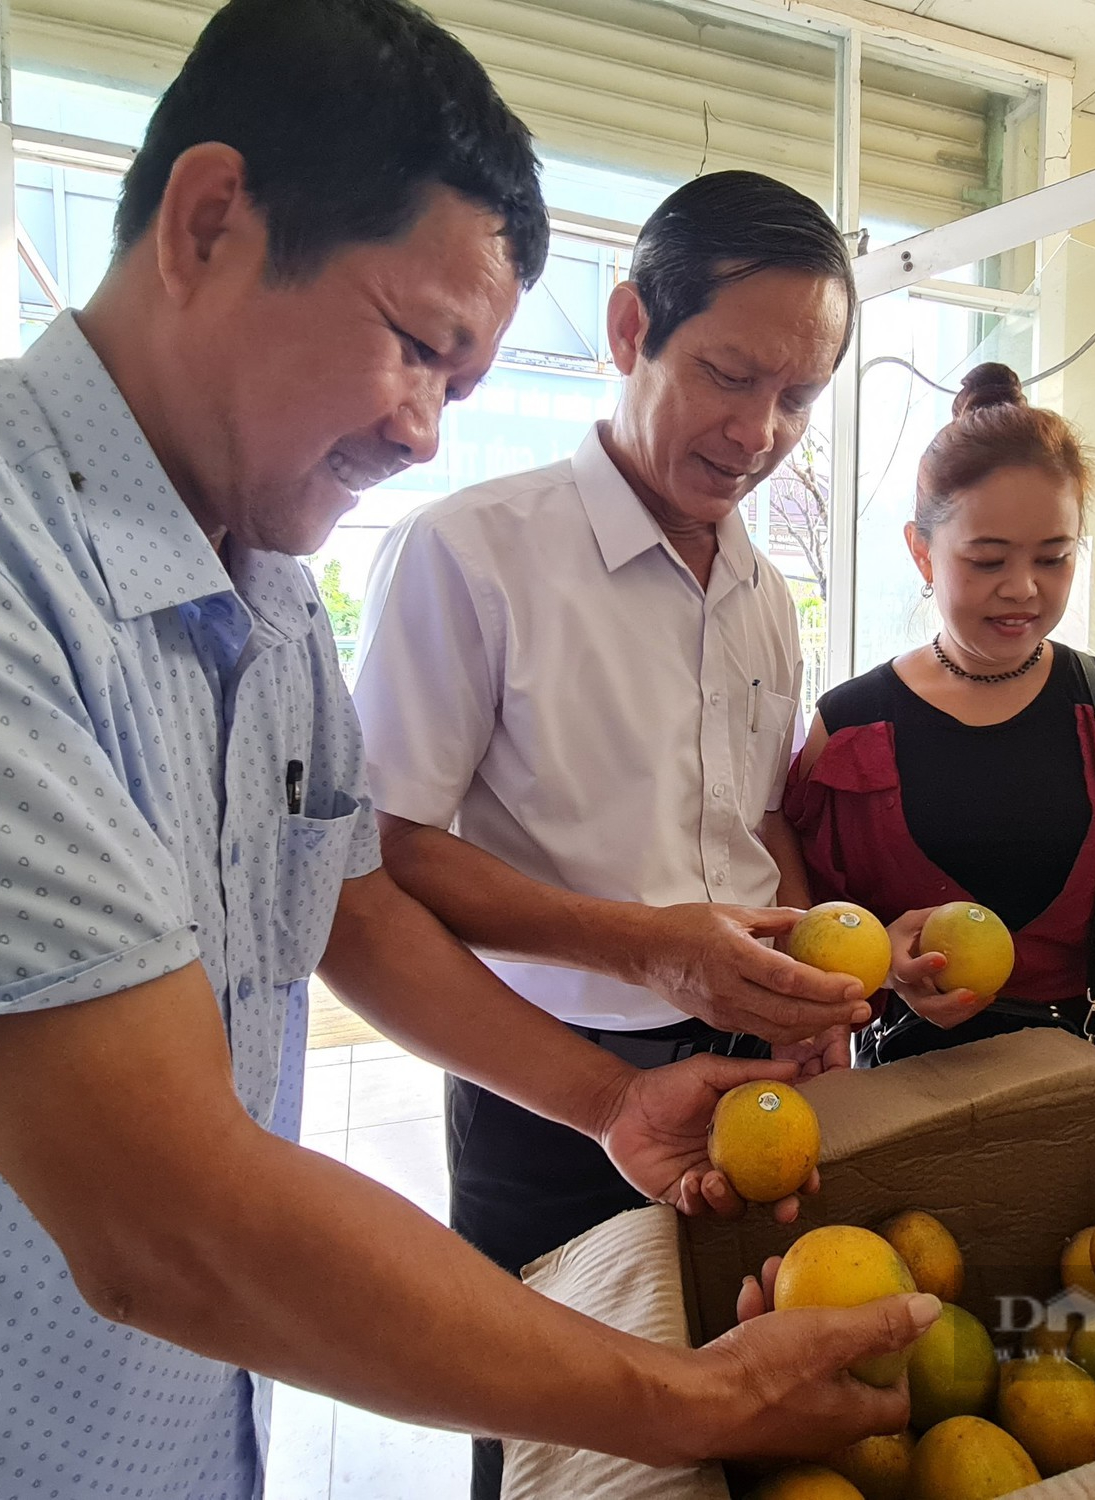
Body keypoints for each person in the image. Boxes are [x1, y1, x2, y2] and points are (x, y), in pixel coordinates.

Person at [0, 5, 938, 1496]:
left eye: (465, 383)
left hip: (175, 1436)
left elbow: (346, 902)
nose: (426, 432)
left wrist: (609, 1100)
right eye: (417, 347)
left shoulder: (272, 602)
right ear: (212, 219)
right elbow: (175, 1223)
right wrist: (686, 1403)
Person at [351, 166, 875, 1497]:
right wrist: (646, 951)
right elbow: (390, 849)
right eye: (729, 373)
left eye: (799, 396)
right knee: (552, 1437)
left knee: (729, 1410)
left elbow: (752, 821)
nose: (760, 430)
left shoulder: (765, 588)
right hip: (543, 1077)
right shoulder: (470, 554)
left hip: (747, 1069)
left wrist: (804, 984)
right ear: (632, 329)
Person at [781, 364, 1095, 1091]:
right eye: (988, 560)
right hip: (910, 1097)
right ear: (922, 551)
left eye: (1054, 558)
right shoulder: (852, 725)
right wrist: (884, 967)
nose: (1024, 588)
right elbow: (815, 925)